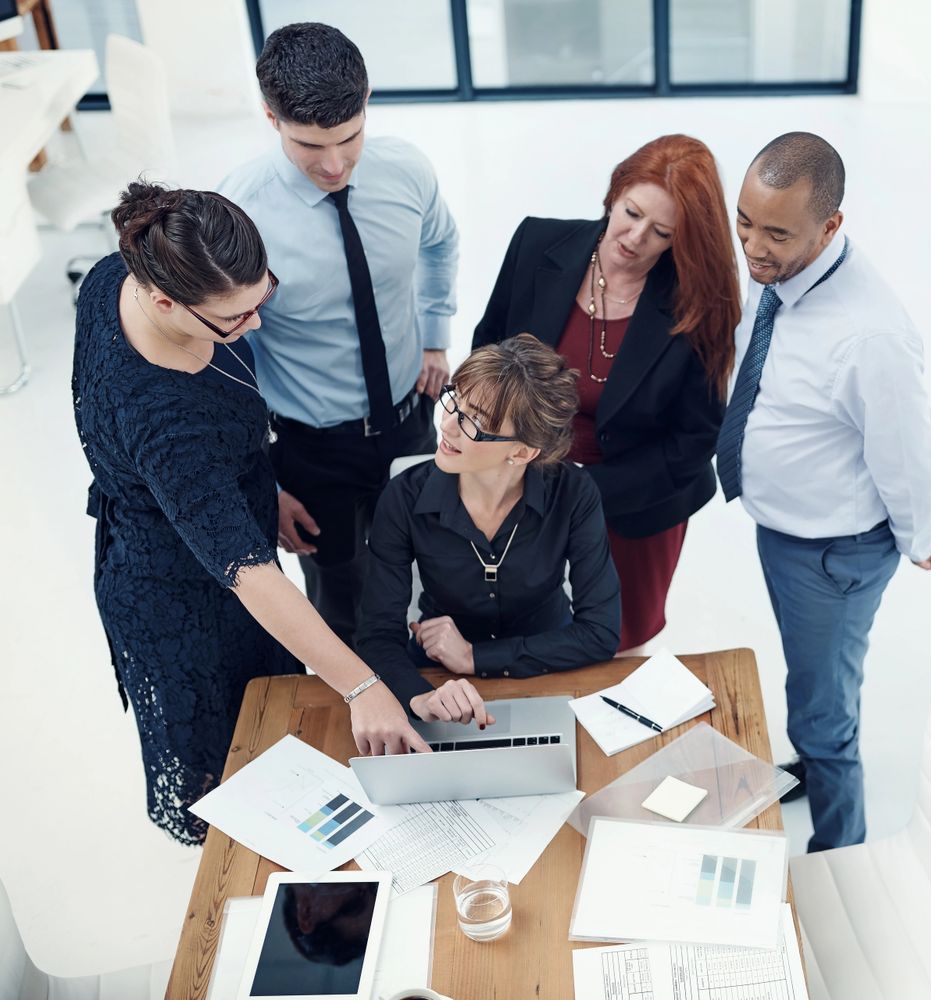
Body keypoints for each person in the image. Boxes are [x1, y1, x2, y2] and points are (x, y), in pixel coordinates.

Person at [72, 182, 430, 846]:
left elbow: (205, 469)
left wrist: (258, 495)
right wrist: (360, 686)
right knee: (235, 749)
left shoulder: (118, 270)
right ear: (163, 301)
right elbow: (255, 577)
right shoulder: (165, 424)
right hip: (183, 597)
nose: (254, 325)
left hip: (207, 517)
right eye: (233, 320)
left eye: (259, 296)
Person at [716, 132, 931, 852]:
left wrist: (923, 535)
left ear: (831, 227)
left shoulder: (868, 335)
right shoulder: (782, 277)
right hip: (784, 529)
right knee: (806, 680)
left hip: (833, 555)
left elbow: (907, 453)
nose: (753, 248)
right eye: (745, 222)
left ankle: (841, 850)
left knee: (824, 712)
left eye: (777, 234)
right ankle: (815, 771)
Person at [218, 23, 459, 650]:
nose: (333, 165)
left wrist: (435, 336)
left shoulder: (406, 170)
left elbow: (440, 242)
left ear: (367, 100)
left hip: (412, 420)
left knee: (435, 579)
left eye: (349, 139)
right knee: (343, 606)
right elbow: (220, 361)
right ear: (271, 118)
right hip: (311, 452)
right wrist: (263, 484)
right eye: (309, 145)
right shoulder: (239, 215)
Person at [473, 135, 740, 652]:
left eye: (662, 232)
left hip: (635, 502)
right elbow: (487, 349)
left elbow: (693, 443)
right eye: (631, 212)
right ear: (614, 193)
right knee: (521, 634)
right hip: (521, 481)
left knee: (615, 643)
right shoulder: (535, 243)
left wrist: (585, 493)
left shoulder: (700, 305)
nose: (636, 238)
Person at [357, 334, 621, 720]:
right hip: (437, 677)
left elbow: (600, 633)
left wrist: (474, 657)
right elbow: (377, 635)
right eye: (453, 402)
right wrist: (419, 697)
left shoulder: (574, 493)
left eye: (473, 422)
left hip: (547, 667)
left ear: (523, 452)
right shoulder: (403, 497)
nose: (447, 426)